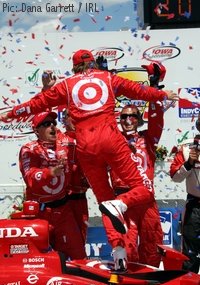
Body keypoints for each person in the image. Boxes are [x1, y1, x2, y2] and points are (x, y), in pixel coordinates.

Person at [0, 49, 178, 239]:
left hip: (86, 145)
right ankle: (121, 203)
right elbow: (138, 90)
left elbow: (38, 104)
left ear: (74, 67)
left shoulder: (66, 85)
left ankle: (118, 252)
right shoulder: (109, 78)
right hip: (111, 140)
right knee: (143, 189)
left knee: (104, 199)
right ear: (93, 62)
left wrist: (10, 114)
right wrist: (161, 94)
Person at [108, 62, 165, 270]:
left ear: (139, 119)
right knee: (128, 247)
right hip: (125, 200)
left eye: (133, 116)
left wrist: (155, 87)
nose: (128, 119)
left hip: (147, 200)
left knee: (153, 247)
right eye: (124, 116)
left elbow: (157, 117)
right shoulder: (113, 140)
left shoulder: (147, 139)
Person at [19, 110, 88, 260]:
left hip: (64, 210)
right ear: (36, 130)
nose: (52, 127)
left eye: (53, 123)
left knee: (79, 256)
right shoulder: (29, 149)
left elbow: (88, 144)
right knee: (38, 259)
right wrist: (50, 173)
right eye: (46, 124)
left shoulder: (67, 144)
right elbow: (29, 176)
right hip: (39, 214)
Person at [170, 118, 200, 274]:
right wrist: (189, 163)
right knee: (190, 256)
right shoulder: (187, 147)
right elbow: (175, 177)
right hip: (194, 206)